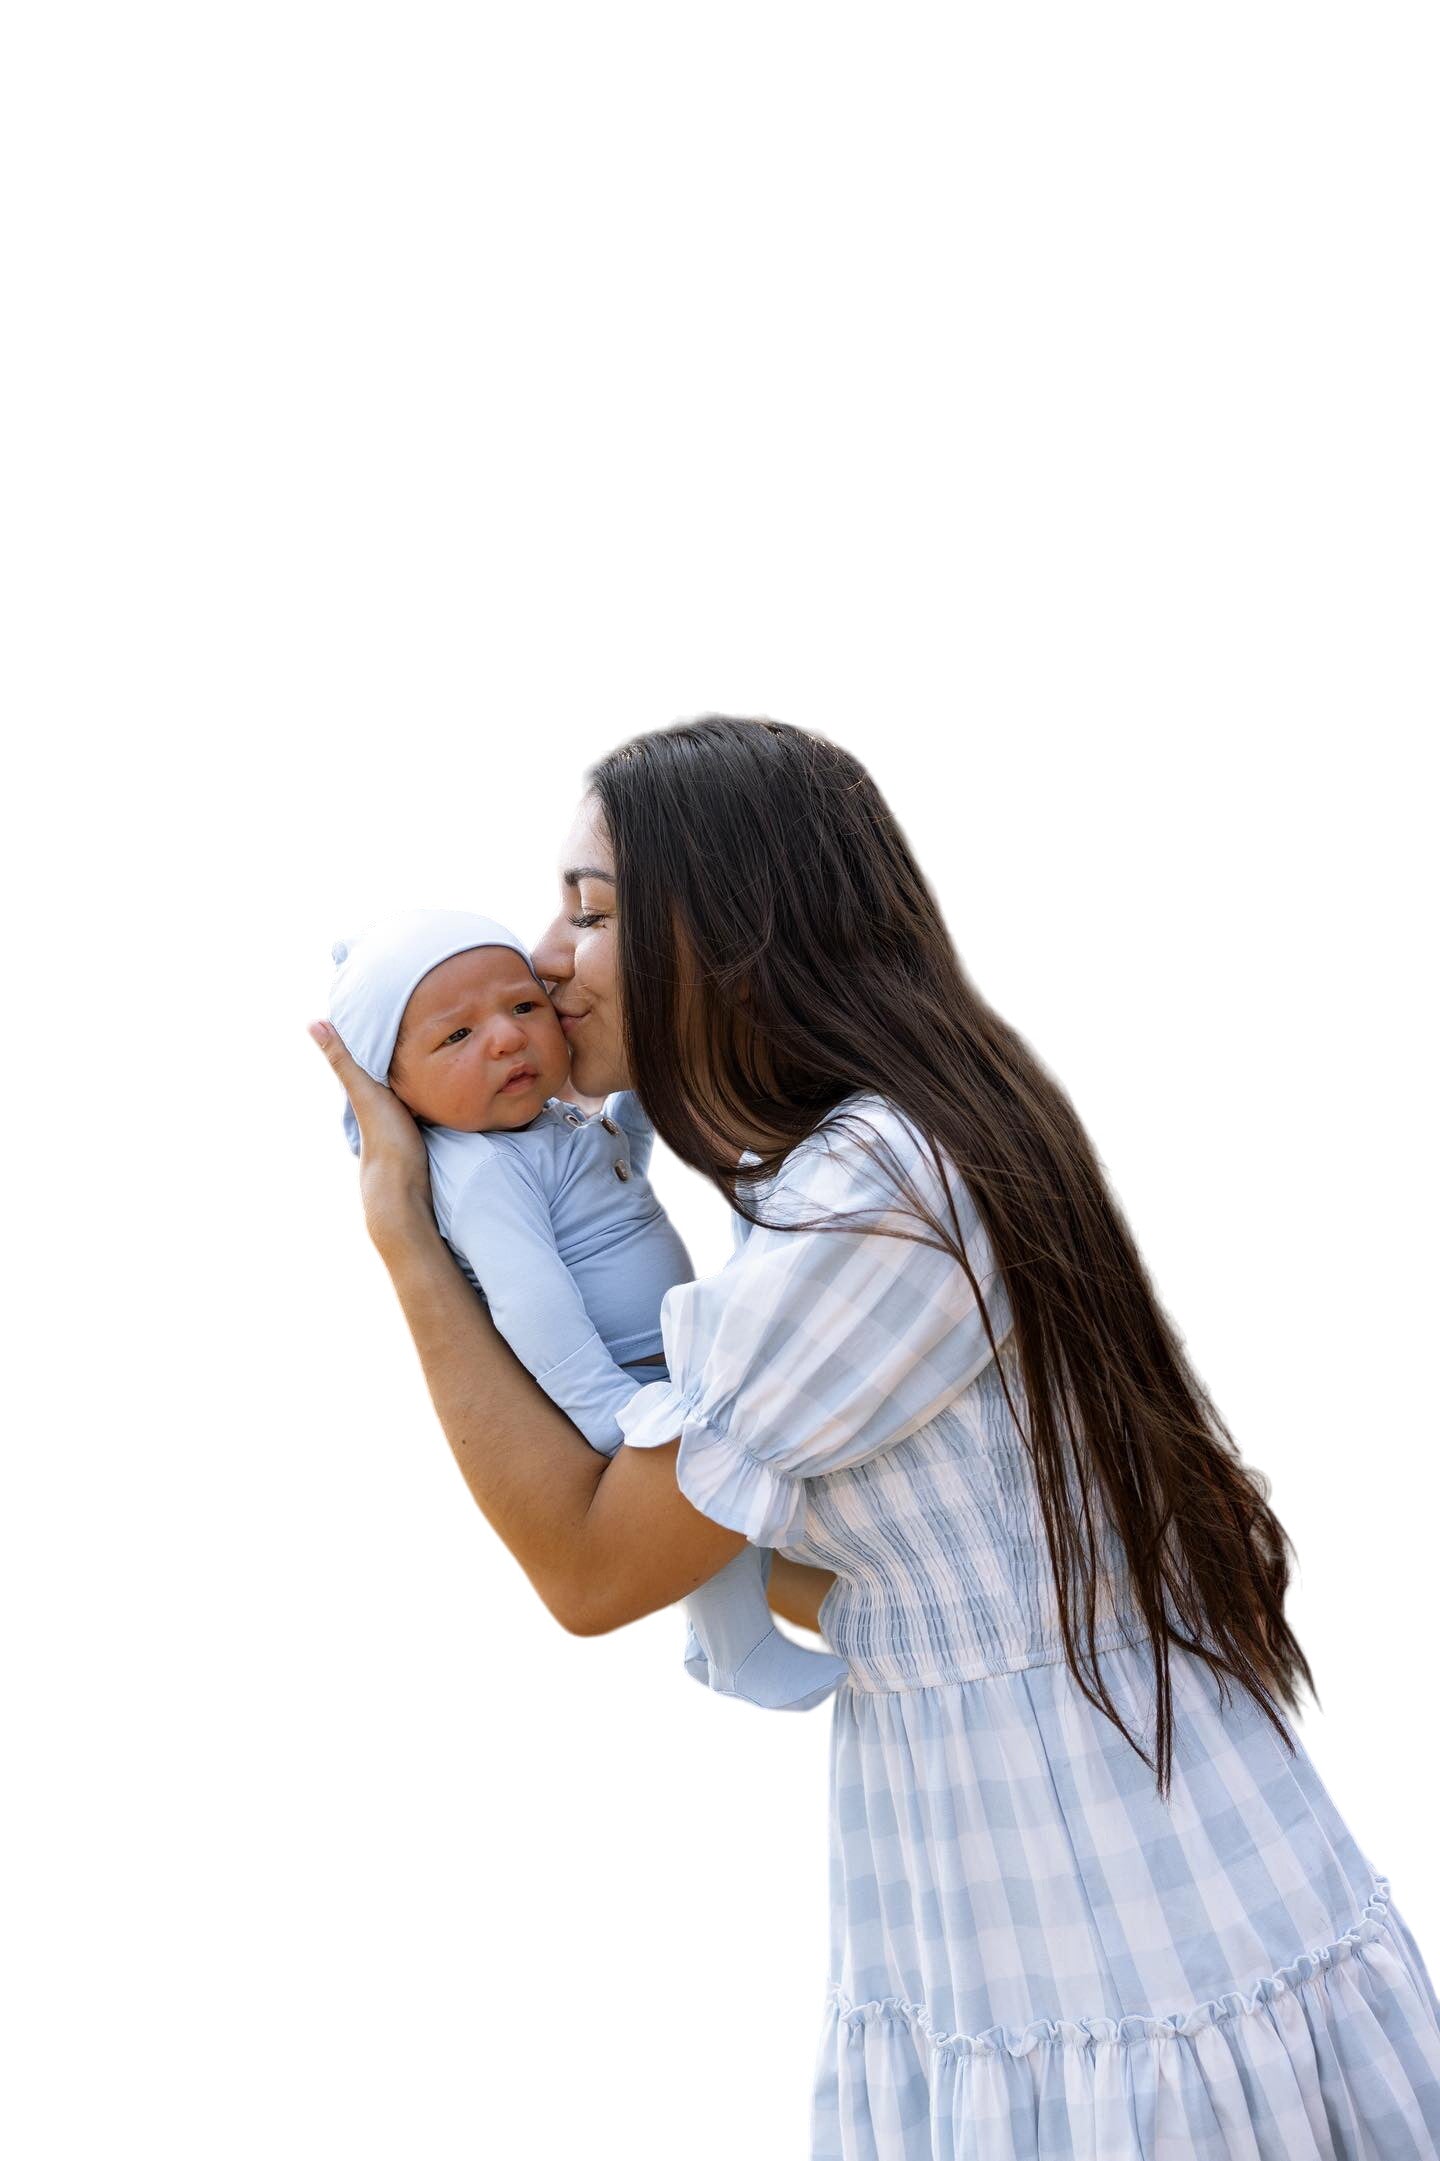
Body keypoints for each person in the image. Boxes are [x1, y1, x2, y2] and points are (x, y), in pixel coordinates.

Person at [309, 716, 1440, 2159]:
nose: (541, 957)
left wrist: (409, 1234)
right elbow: (868, 1563)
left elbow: (593, 1570)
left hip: (1096, 1891)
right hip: (1016, 1859)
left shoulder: (871, 1201)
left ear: (722, 933)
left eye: (591, 910)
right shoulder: (854, 1160)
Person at [323, 904, 846, 1712]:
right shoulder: (480, 1170)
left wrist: (630, 1115)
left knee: (731, 1511)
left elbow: (613, 1178)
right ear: (396, 1091)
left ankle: (730, 1638)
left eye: (522, 1006)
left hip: (661, 1360)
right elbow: (530, 1301)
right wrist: (608, 1406)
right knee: (703, 1498)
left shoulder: (542, 1127)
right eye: (456, 1036)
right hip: (616, 1379)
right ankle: (737, 1649)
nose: (504, 1037)